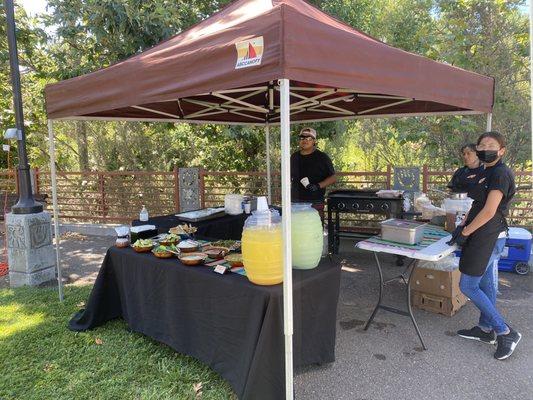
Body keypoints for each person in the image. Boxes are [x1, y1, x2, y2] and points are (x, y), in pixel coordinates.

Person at [448, 131, 520, 360]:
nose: (485, 147)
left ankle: (504, 331)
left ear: (502, 151)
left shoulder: (500, 173)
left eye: (491, 144)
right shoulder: (486, 171)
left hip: (487, 236)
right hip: (483, 233)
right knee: (487, 283)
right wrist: (463, 223)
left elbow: (490, 211)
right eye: (481, 144)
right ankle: (486, 329)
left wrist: (466, 232)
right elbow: (478, 203)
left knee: (468, 285)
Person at [290, 127, 336, 220]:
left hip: (315, 200)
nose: (305, 140)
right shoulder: (294, 157)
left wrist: (318, 186)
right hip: (296, 200)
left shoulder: (322, 157)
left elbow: (333, 178)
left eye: (308, 138)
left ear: (314, 141)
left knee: (316, 227)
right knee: (297, 227)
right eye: (302, 138)